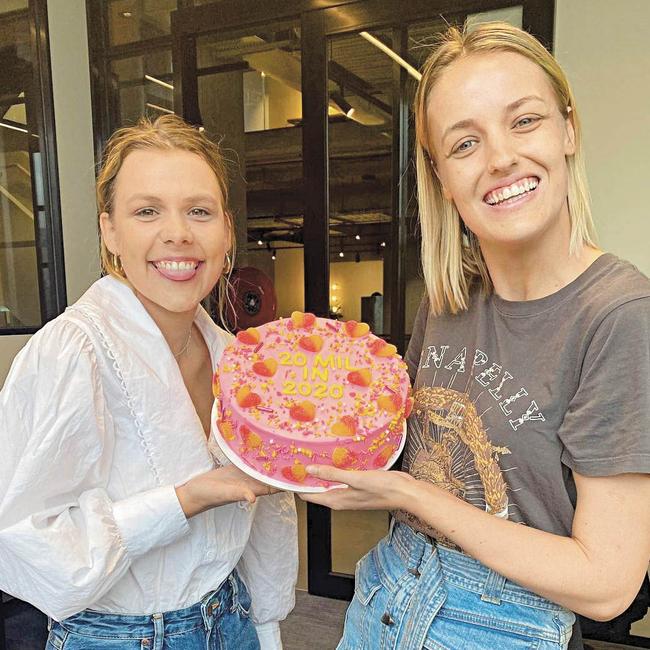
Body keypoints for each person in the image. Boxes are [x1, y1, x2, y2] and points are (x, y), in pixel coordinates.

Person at [300, 21, 650, 650]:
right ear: (438, 174)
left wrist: (409, 493)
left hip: (503, 628)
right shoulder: (449, 299)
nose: (500, 159)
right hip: (384, 595)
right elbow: (397, 439)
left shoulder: (619, 314)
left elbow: (608, 583)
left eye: (524, 121)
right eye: (464, 143)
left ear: (568, 129)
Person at [0, 115, 298, 649]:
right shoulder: (72, 354)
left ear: (227, 231)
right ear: (109, 231)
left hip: (232, 617)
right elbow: (23, 543)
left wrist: (267, 625)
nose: (178, 232)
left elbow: (268, 506)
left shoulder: (238, 359)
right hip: (120, 636)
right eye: (146, 211)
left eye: (199, 211)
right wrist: (183, 500)